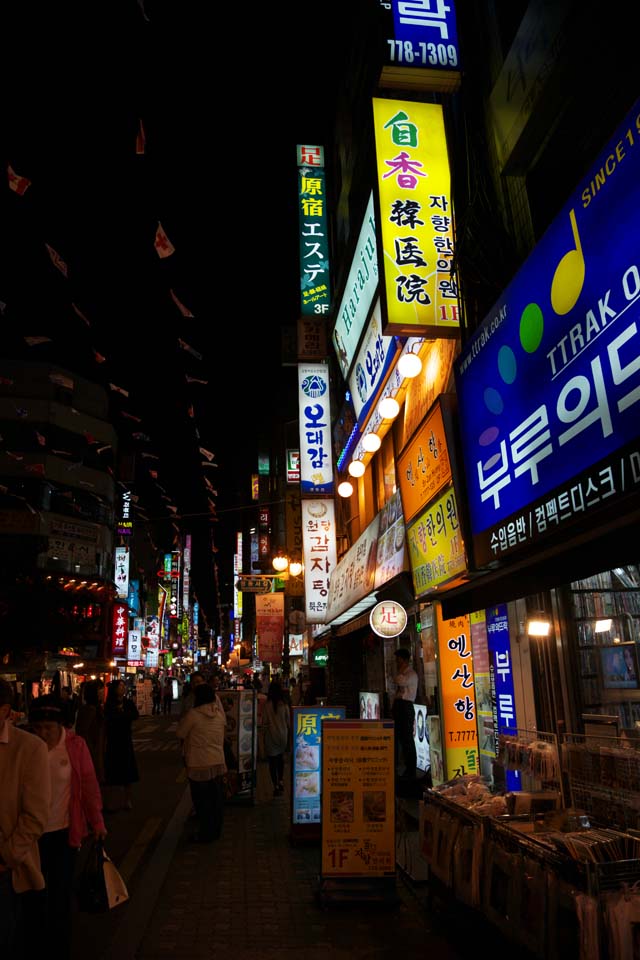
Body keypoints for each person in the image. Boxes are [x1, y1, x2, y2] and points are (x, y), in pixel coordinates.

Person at [26, 694, 107, 955]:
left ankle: (59, 947)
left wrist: (97, 822)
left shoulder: (75, 745)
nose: (43, 733)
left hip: (63, 832)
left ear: (61, 724)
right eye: (37, 728)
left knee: (60, 894)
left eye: (48, 727)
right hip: (29, 836)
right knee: (34, 893)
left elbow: (88, 786)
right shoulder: (25, 745)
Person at [0, 679, 51, 953]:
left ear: (4, 710)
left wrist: (7, 855)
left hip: (6, 869)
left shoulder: (28, 748)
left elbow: (35, 815)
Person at [176, 684, 226, 843]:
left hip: (198, 763)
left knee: (201, 801)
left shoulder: (193, 714)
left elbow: (180, 733)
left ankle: (205, 833)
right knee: (215, 800)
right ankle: (215, 830)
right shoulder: (219, 715)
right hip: (217, 761)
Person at [103, 679, 139, 812]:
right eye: (120, 686)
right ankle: (110, 802)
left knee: (128, 772)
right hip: (113, 741)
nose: (123, 688)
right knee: (112, 772)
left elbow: (135, 715)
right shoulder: (109, 704)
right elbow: (109, 719)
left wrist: (123, 714)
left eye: (124, 686)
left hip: (125, 739)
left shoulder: (128, 703)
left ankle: (127, 800)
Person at [392, 647, 418, 780]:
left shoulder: (411, 674)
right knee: (401, 738)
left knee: (407, 738)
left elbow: (398, 680)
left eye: (398, 659)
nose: (397, 662)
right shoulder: (405, 672)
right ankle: (404, 768)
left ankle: (410, 770)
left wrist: (401, 669)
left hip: (406, 707)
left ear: (404, 660)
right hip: (400, 707)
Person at [74, 679, 106, 787]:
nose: (103, 693)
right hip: (92, 753)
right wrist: (92, 752)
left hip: (97, 751)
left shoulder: (96, 709)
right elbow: (83, 733)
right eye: (100, 691)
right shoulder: (90, 710)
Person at [263, 680, 290, 797]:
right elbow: (288, 722)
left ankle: (275, 786)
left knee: (272, 762)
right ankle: (281, 780)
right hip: (283, 735)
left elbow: (264, 722)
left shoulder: (267, 705)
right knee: (280, 759)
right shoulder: (284, 705)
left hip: (270, 736)